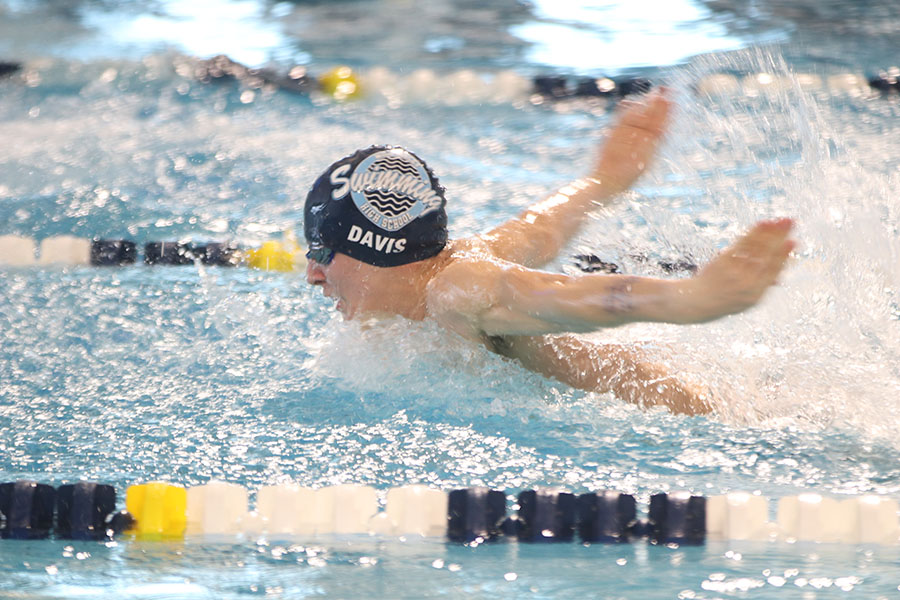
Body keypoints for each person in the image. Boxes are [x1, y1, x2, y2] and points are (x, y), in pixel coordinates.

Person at [303, 90, 794, 416]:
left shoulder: (458, 290)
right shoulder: (456, 264)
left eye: (322, 250)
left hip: (716, 419)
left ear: (373, 247)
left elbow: (571, 297)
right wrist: (605, 180)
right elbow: (539, 231)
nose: (313, 275)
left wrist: (697, 298)